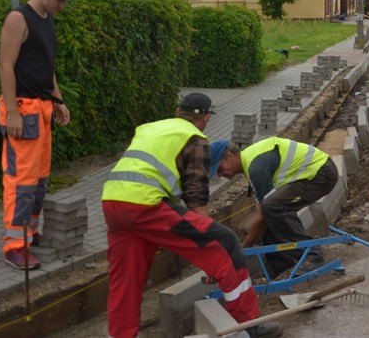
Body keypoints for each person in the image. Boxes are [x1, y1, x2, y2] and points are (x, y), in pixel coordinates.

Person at [101, 93, 279, 338]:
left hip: (112, 202)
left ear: (177, 111)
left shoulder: (150, 129)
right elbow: (196, 194)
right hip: (145, 205)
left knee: (127, 278)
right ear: (206, 118)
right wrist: (209, 253)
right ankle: (247, 327)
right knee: (225, 243)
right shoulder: (195, 138)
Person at [0, 0, 78, 270]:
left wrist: (57, 101)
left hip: (42, 108)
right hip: (23, 109)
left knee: (39, 178)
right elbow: (6, 65)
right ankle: (14, 245)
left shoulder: (47, 19)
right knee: (21, 181)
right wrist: (13, 111)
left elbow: (47, 66)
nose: (62, 5)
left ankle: (29, 232)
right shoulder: (18, 18)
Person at [215, 137, 338, 277]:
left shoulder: (256, 168)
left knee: (272, 207)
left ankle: (311, 256)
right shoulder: (252, 162)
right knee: (270, 211)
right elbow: (262, 215)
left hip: (320, 174)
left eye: (219, 168)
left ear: (230, 157)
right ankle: (281, 265)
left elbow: (261, 217)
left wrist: (242, 248)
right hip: (317, 173)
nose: (219, 175)